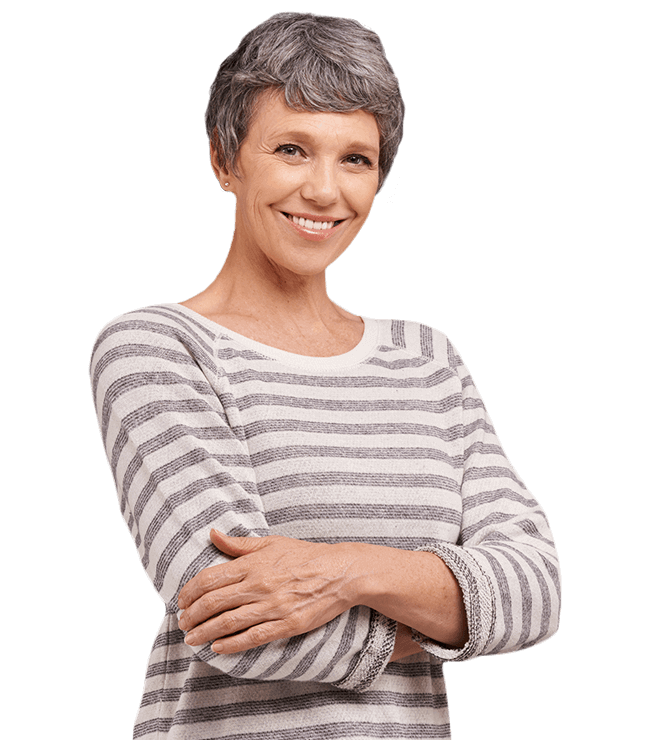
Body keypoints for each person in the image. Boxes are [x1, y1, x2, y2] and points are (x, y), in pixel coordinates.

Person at [89, 12, 561, 739]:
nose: (323, 191)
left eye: (355, 159)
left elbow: (535, 592)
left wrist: (346, 571)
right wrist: (447, 614)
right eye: (291, 149)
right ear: (225, 159)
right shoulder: (156, 347)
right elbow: (223, 619)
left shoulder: (426, 359)